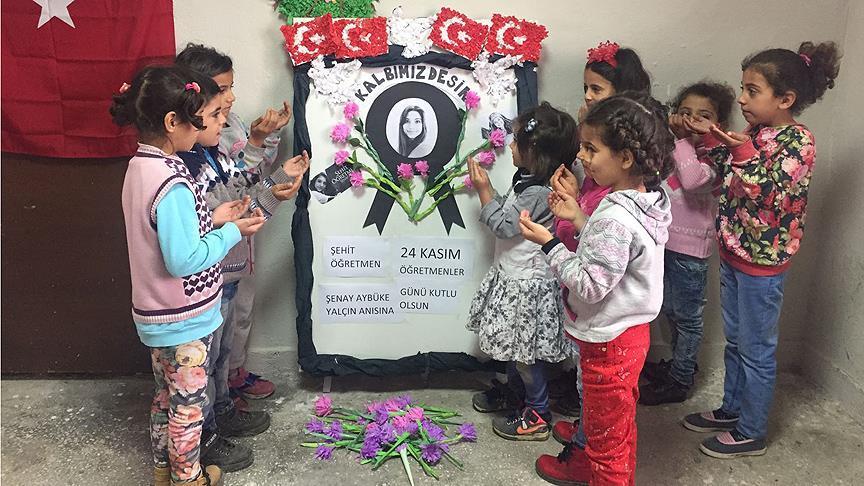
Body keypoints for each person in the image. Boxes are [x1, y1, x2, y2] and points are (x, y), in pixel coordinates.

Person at [683, 41, 841, 459]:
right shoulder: (758, 132)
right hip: (734, 253)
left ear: (785, 99)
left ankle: (751, 431)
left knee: (756, 350)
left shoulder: (799, 142)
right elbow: (728, 171)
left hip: (762, 266)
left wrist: (738, 149)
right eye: (743, 88)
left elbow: (766, 190)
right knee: (736, 342)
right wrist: (709, 138)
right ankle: (732, 410)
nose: (741, 98)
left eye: (752, 90)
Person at [111, 65, 267, 486]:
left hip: (156, 315)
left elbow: (163, 232)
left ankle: (164, 471)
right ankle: (188, 478)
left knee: (165, 398)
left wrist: (214, 218)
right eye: (196, 121)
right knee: (189, 408)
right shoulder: (172, 180)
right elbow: (183, 260)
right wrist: (232, 233)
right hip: (184, 319)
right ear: (171, 122)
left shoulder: (140, 167)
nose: (200, 129)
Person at [525, 92, 674, 485]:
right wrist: (578, 216)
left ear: (625, 157)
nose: (582, 156)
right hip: (629, 332)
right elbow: (613, 254)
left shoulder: (615, 218)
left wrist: (550, 244)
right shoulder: (644, 198)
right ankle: (584, 460)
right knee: (611, 424)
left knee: (610, 443)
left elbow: (590, 284)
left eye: (591, 149)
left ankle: (600, 472)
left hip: (609, 343)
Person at [547, 39, 654, 445]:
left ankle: (588, 446)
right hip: (590, 275)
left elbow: (602, 260)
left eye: (597, 89)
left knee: (601, 390)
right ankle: (586, 433)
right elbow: (594, 201)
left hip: (606, 306)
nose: (588, 97)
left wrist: (554, 242)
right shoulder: (611, 174)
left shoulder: (620, 207)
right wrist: (577, 199)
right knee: (589, 380)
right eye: (586, 89)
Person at [175, 43, 289, 414]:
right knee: (209, 349)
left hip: (236, 255)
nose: (230, 101)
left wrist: (274, 171)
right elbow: (234, 201)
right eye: (221, 93)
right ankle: (213, 410)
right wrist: (271, 185)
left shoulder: (220, 133)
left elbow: (242, 184)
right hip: (214, 264)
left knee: (236, 323)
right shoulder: (185, 163)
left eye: (230, 90)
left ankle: (226, 391)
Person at [466, 102, 580, 441]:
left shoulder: (539, 192)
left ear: (537, 153)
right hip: (515, 276)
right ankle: (517, 395)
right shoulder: (528, 181)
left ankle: (538, 412)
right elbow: (510, 214)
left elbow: (504, 226)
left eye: (517, 142)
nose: (511, 146)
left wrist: (484, 190)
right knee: (516, 347)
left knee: (525, 355)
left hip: (528, 284)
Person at [639, 81, 736, 406]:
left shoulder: (718, 156)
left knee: (689, 318)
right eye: (685, 112)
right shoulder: (675, 148)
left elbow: (693, 180)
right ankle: (679, 366)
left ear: (719, 124)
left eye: (703, 115)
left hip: (691, 252)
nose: (692, 120)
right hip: (664, 244)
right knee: (668, 310)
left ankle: (681, 381)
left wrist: (681, 139)